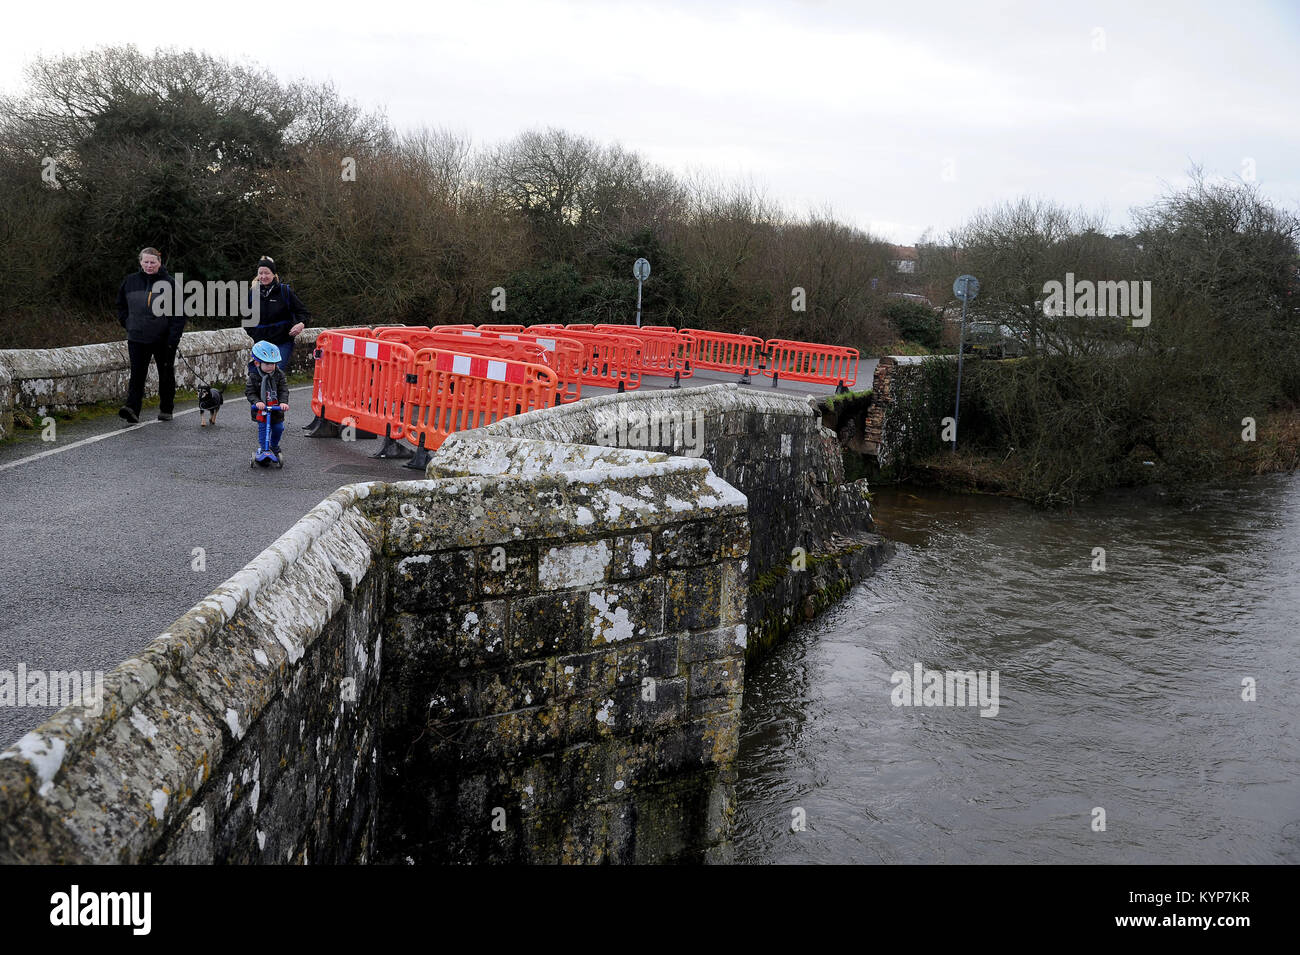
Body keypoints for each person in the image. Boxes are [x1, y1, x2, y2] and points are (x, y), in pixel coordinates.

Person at [116, 247, 183, 423]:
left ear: (159, 263)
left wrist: (173, 338)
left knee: (165, 374)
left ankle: (166, 408)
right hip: (137, 337)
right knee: (137, 374)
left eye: (152, 262)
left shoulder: (170, 284)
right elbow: (120, 305)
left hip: (163, 339)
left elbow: (179, 314)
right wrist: (127, 323)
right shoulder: (130, 281)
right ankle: (132, 409)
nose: (149, 265)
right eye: (145, 261)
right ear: (140, 262)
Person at [245, 255, 308, 374]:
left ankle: (278, 392)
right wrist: (255, 334)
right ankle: (259, 393)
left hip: (282, 342)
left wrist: (301, 324)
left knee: (276, 373)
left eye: (267, 273)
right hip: (261, 343)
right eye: (260, 273)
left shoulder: (285, 291)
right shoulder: (252, 293)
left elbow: (302, 312)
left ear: (274, 274)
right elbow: (247, 319)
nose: (263, 276)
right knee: (256, 375)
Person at [245, 341, 290, 461]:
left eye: (273, 364)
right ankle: (264, 449)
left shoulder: (279, 374)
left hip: (276, 409)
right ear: (257, 363)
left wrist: (283, 402)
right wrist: (256, 402)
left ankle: (274, 446)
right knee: (264, 429)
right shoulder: (254, 376)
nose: (271, 367)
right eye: (267, 364)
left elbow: (283, 389)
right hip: (261, 411)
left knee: (279, 428)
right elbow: (250, 392)